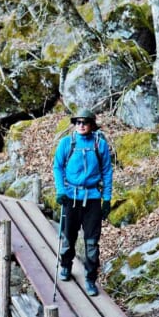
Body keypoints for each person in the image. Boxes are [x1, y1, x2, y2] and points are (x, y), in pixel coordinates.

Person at [52, 108, 113, 296]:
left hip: (93, 198)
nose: (81, 126)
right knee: (68, 237)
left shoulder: (100, 145)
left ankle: (90, 278)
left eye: (84, 122)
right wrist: (61, 191)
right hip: (71, 197)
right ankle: (65, 266)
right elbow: (57, 167)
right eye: (78, 122)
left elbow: (107, 172)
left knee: (92, 242)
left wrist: (107, 200)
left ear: (92, 124)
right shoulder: (66, 143)